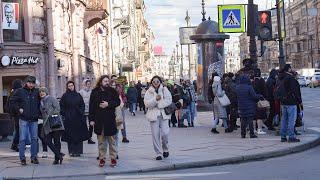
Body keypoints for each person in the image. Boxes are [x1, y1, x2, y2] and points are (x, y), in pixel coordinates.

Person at [89, 75, 120, 167]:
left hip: (110, 120)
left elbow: (117, 102)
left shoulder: (112, 91)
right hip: (99, 120)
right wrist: (91, 119)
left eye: (107, 81)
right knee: (101, 142)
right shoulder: (95, 92)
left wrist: (108, 104)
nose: (106, 82)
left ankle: (113, 158)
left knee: (112, 141)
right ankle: (102, 158)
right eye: (105, 81)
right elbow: (91, 106)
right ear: (100, 81)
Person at [10, 76, 40, 165]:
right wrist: (19, 109)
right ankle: (22, 158)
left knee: (34, 139)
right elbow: (13, 101)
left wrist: (38, 113)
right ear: (26, 83)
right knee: (22, 139)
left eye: (33, 83)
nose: (31, 84)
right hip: (23, 119)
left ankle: (34, 157)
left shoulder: (37, 91)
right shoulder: (20, 91)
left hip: (34, 119)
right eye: (29, 83)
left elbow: (42, 101)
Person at [144, 76, 172, 160]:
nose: (156, 83)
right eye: (154, 81)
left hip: (163, 115)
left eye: (157, 81)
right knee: (155, 135)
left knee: (165, 133)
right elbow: (147, 104)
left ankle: (165, 149)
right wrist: (155, 100)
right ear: (151, 82)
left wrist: (160, 104)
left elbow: (169, 100)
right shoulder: (148, 92)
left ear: (160, 82)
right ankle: (158, 153)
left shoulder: (164, 89)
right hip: (153, 115)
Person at [60, 81, 90, 157]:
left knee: (78, 135)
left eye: (72, 85)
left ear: (74, 86)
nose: (71, 87)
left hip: (78, 118)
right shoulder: (65, 96)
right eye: (69, 86)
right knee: (70, 135)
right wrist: (65, 114)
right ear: (67, 87)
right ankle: (71, 151)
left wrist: (80, 112)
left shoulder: (78, 95)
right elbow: (61, 106)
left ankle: (78, 151)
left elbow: (82, 105)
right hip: (69, 119)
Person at [39, 87, 64, 165]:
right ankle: (59, 155)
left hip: (55, 123)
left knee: (57, 141)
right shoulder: (40, 102)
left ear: (46, 92)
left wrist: (50, 114)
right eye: (40, 92)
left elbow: (58, 109)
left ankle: (57, 159)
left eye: (43, 91)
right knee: (47, 140)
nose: (41, 93)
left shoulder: (52, 98)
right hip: (47, 125)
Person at [277, 64, 302, 143]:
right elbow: (296, 91)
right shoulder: (290, 78)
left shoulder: (280, 77)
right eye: (291, 68)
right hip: (291, 101)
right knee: (292, 119)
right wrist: (299, 101)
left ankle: (283, 136)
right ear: (288, 69)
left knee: (284, 119)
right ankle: (291, 136)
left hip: (283, 101)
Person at [111, 75, 130, 143]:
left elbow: (123, 94)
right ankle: (114, 138)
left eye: (116, 79)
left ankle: (124, 137)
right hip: (113, 107)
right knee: (115, 122)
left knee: (122, 122)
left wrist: (124, 100)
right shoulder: (110, 87)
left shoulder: (119, 86)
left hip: (120, 106)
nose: (115, 80)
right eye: (113, 79)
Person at [8, 79, 23, 152]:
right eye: (21, 83)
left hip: (14, 114)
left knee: (17, 130)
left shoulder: (12, 92)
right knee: (18, 130)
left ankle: (15, 145)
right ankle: (15, 145)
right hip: (17, 114)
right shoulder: (17, 92)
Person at [79, 79, 95, 144]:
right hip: (83, 111)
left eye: (89, 84)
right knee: (83, 124)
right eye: (87, 84)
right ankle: (83, 137)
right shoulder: (80, 92)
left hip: (90, 110)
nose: (88, 85)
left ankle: (89, 138)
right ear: (84, 84)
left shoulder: (92, 92)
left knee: (91, 125)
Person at [253, 69, 268, 135]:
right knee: (260, 116)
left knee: (254, 116)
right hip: (261, 100)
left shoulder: (252, 81)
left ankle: (253, 129)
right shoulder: (261, 80)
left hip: (253, 100)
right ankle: (259, 129)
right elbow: (265, 90)